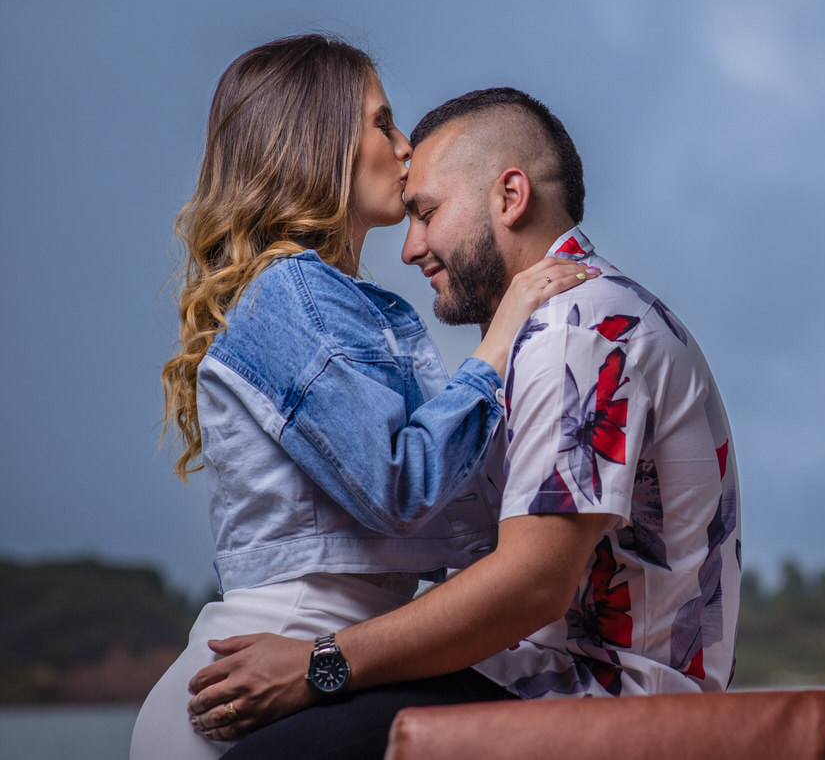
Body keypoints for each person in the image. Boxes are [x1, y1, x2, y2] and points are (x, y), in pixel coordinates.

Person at [187, 87, 742, 760]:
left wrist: (317, 663)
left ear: (509, 198)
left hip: (599, 705)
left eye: (426, 213)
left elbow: (530, 585)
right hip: (532, 685)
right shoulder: (549, 327)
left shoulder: (580, 325)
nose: (409, 247)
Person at [130, 40, 596, 760]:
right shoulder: (295, 295)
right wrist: (501, 336)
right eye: (383, 124)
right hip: (252, 691)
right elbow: (398, 486)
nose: (406, 148)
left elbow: (455, 521)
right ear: (317, 140)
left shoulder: (335, 305)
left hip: (297, 682)